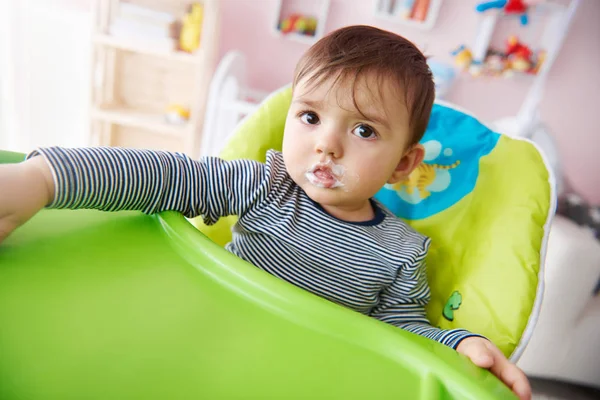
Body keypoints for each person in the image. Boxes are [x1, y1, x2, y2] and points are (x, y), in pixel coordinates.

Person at [0, 25, 530, 399]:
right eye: (310, 116)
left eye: (364, 130)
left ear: (403, 164)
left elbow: (403, 333)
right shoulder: (265, 186)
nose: (327, 145)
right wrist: (43, 179)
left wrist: (461, 343)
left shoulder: (399, 251)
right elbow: (161, 176)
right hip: (202, 345)